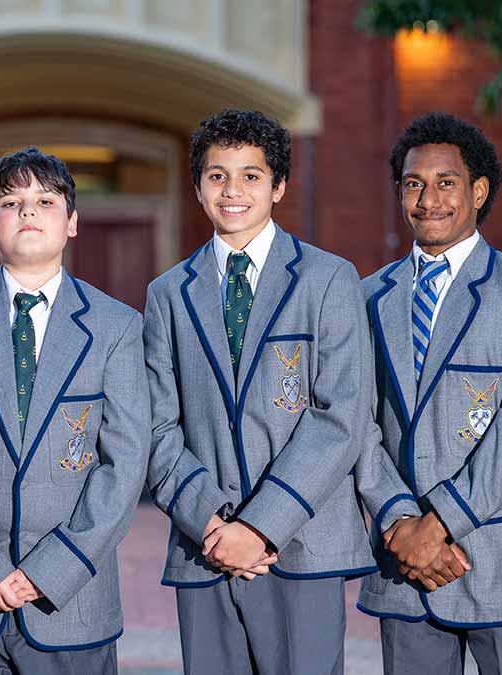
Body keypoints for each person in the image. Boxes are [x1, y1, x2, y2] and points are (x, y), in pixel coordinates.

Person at [143, 108, 377, 674]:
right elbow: (155, 424)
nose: (233, 190)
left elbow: (342, 414)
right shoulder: (168, 293)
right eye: (217, 175)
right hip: (206, 545)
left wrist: (261, 525)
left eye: (251, 175)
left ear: (279, 187)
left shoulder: (327, 278)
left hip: (303, 542)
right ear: (198, 188)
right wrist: (213, 523)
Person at [0, 147, 151, 673]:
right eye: (11, 202)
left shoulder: (117, 326)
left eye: (45, 201)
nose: (28, 212)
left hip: (71, 601)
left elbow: (123, 463)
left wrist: (54, 571)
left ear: (72, 222)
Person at [356, 112, 502, 675]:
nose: (429, 199)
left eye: (446, 182)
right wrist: (402, 523)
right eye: (413, 184)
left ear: (479, 191)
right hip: (403, 568)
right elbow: (355, 423)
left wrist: (440, 524)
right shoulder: (365, 298)